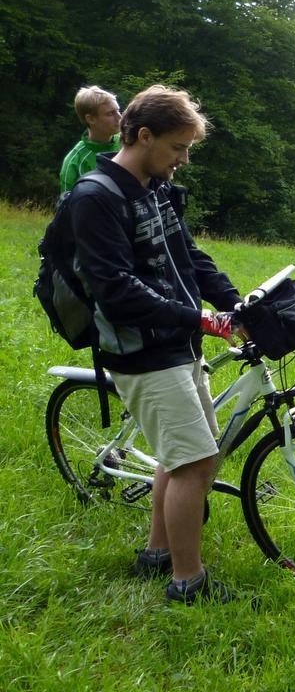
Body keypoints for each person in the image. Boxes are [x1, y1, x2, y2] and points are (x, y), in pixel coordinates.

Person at [71, 84, 243, 605]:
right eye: (178, 147)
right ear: (144, 136)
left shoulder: (156, 187)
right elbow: (117, 291)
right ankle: (188, 581)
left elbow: (188, 255)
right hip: (141, 351)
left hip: (178, 340)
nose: (183, 160)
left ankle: (157, 552)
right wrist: (198, 318)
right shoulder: (95, 197)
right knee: (193, 462)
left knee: (188, 452)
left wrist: (234, 304)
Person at [59, 85, 122, 192]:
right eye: (110, 113)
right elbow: (68, 201)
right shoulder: (74, 161)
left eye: (118, 111)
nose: (119, 117)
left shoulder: (128, 142)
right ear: (91, 119)